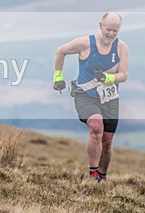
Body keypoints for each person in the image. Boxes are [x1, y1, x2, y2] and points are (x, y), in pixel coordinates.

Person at [53, 12, 129, 182]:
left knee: (107, 143)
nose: (111, 34)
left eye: (115, 31)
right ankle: (93, 174)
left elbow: (124, 75)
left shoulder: (121, 47)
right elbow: (60, 51)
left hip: (110, 99)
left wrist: (108, 78)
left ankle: (102, 177)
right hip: (85, 96)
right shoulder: (85, 43)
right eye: (108, 29)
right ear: (101, 26)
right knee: (96, 127)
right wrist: (58, 77)